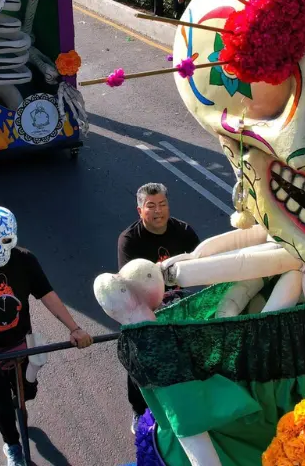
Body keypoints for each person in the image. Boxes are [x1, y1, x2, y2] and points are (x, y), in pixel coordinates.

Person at [0, 207, 92, 466]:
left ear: (12, 239)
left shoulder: (25, 260)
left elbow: (48, 295)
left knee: (26, 394)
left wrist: (75, 328)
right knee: (0, 403)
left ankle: (18, 406)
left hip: (20, 345)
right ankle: (12, 445)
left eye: (3, 241)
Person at [116, 183, 200, 427]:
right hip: (143, 307)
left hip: (180, 304)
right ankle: (138, 409)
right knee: (138, 357)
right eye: (151, 206)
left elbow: (202, 263)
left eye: (162, 205)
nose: (158, 211)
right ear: (139, 210)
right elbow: (128, 282)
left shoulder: (183, 231)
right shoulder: (129, 240)